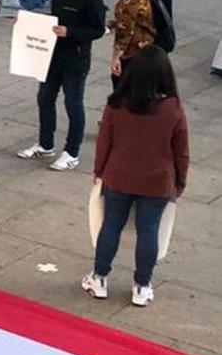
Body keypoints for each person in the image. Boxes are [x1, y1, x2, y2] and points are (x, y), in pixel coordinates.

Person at [81, 47, 189, 306]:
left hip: (118, 176)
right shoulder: (173, 109)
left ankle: (100, 278)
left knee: (111, 225)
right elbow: (181, 152)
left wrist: (99, 172)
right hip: (157, 181)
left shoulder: (116, 104)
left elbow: (104, 143)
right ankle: (141, 286)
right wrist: (179, 182)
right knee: (149, 231)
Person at [17, 0, 106, 171]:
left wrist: (71, 32)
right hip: (53, 54)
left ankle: (71, 152)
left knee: (73, 103)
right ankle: (45, 143)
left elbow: (97, 29)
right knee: (45, 97)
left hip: (75, 57)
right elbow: (54, 18)